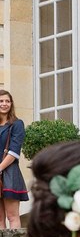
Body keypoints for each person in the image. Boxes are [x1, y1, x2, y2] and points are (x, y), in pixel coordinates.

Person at [0, 90, 27, 228]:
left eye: (7, 101)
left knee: (12, 216)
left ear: (11, 104)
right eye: (1, 101)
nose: (4, 104)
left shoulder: (17, 124)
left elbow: (14, 152)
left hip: (10, 172)